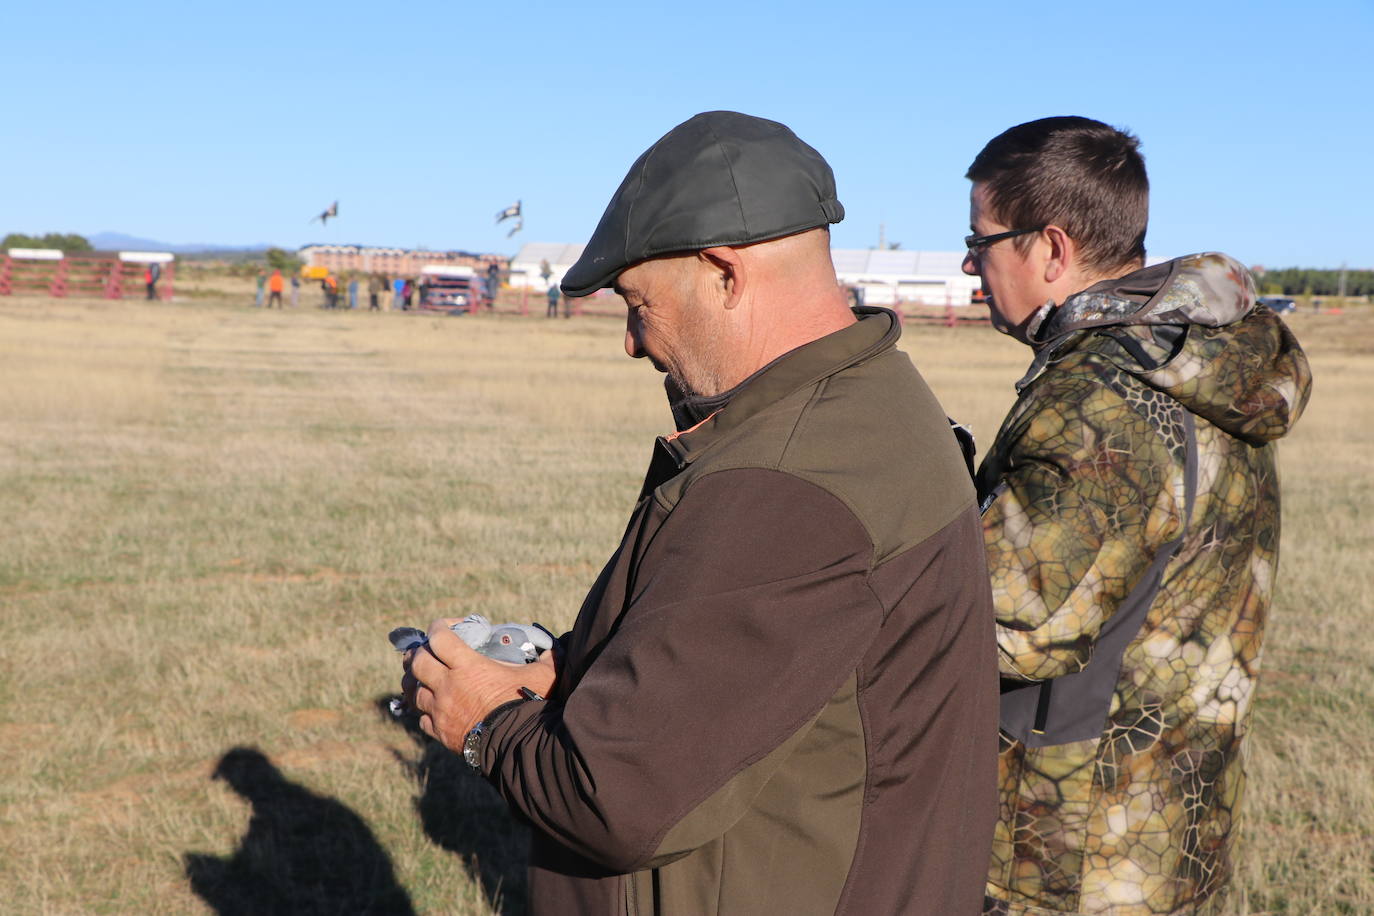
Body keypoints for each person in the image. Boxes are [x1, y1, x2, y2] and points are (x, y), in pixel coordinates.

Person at [404, 111, 998, 915]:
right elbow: (772, 660)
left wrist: (485, 722)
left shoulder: (783, 483)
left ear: (725, 272)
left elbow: (611, 796)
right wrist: (577, 668)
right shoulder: (872, 401)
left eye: (638, 303)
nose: (632, 342)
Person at [961, 117, 1313, 916]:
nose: (969, 264)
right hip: (1172, 837)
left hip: (1062, 858)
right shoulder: (1197, 364)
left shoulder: (1102, 398)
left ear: (1049, 249)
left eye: (980, 239)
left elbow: (1013, 623)